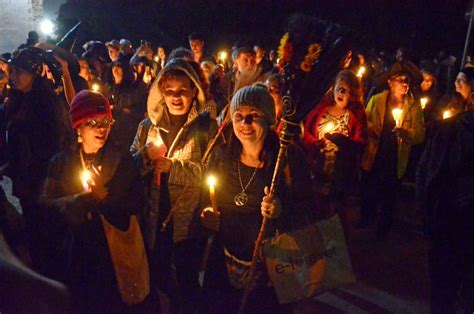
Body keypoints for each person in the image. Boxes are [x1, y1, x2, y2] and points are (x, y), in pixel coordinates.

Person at [200, 84, 313, 313]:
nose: (245, 123)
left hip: (270, 268)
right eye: (238, 116)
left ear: (269, 118)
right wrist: (206, 215)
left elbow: (307, 209)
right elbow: (206, 200)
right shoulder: (222, 157)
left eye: (254, 116)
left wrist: (281, 211)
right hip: (225, 261)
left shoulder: (288, 158)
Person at [40, 90, 147, 313]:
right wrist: (73, 201)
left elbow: (137, 202)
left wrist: (103, 198)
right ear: (78, 126)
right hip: (75, 253)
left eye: (106, 121)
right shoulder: (61, 162)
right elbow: (45, 203)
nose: (102, 128)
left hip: (111, 255)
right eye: (92, 122)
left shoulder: (121, 159)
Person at [130, 58, 217, 313]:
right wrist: (145, 156)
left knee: (188, 280)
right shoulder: (146, 127)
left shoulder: (206, 129)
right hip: (153, 219)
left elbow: (212, 174)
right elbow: (130, 171)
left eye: (182, 91)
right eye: (169, 91)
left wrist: (174, 168)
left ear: (194, 91)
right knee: (156, 277)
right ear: (161, 92)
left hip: (188, 224)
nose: (176, 97)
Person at [416, 109, 474, 314]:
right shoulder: (448, 132)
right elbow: (426, 176)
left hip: (444, 224)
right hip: (447, 224)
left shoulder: (447, 130)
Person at [359, 62, 425, 238]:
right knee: (369, 187)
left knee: (389, 193)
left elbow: (420, 135)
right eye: (401, 80)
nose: (405, 84)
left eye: (408, 81)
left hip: (396, 157)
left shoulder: (413, 106)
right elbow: (363, 121)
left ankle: (383, 228)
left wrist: (407, 133)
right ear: (390, 82)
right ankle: (366, 219)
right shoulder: (377, 100)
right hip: (375, 153)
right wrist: (370, 128)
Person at [302, 70, 367, 221]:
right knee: (316, 206)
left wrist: (342, 141)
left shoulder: (357, 114)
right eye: (342, 90)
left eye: (350, 92)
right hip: (318, 166)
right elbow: (306, 131)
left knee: (337, 210)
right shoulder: (321, 107)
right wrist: (314, 142)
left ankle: (336, 240)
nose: (345, 96)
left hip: (340, 172)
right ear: (334, 88)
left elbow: (360, 144)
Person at [108, 60, 147, 153]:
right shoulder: (110, 88)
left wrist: (118, 109)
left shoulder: (135, 87)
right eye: (114, 66)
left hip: (131, 130)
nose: (115, 68)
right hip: (116, 132)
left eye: (119, 66)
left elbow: (139, 110)